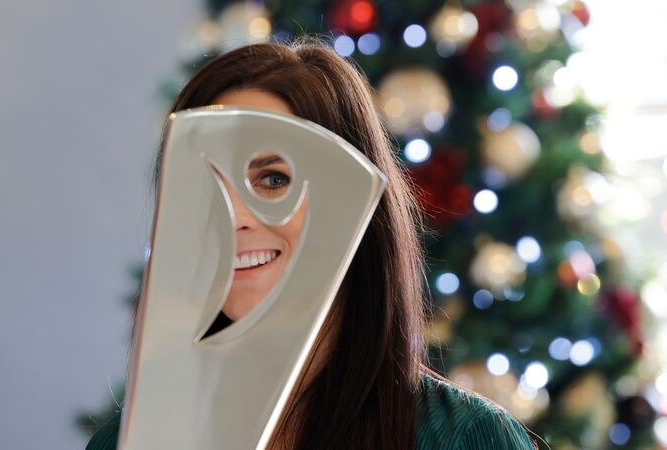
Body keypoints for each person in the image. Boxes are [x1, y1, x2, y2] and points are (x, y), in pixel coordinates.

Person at [87, 37, 539, 450]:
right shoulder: (129, 441)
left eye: (273, 179)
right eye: (208, 188)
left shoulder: (466, 439)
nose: (235, 218)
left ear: (353, 207)